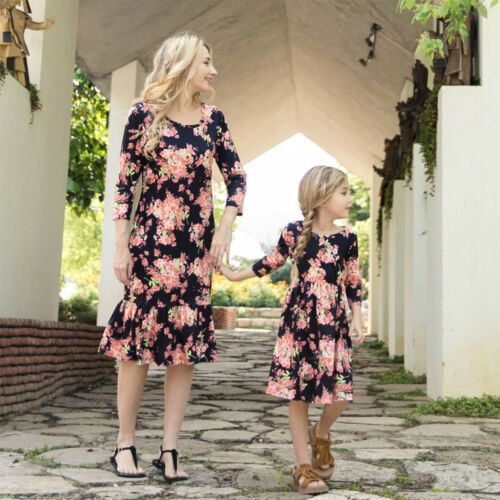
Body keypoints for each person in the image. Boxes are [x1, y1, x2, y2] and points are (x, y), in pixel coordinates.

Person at [98, 31, 246, 482]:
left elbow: (237, 178)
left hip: (194, 254)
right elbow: (124, 186)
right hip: (149, 248)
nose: (213, 70)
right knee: (137, 347)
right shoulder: (143, 115)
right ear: (182, 65)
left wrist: (224, 227)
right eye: (206, 61)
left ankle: (170, 450)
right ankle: (124, 444)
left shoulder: (213, 120)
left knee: (183, 351)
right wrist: (121, 245)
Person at [220, 165, 363, 495]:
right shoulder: (295, 232)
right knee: (298, 394)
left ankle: (322, 432)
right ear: (323, 196)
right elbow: (268, 263)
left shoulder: (347, 239)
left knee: (341, 391)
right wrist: (231, 274)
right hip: (299, 322)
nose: (349, 199)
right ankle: (303, 468)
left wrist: (357, 318)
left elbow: (353, 282)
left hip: (333, 323)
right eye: (343, 192)